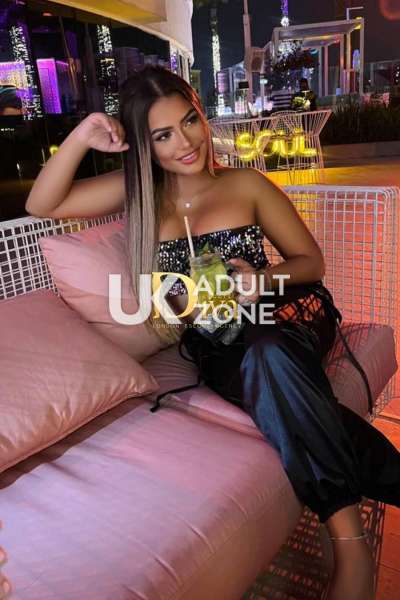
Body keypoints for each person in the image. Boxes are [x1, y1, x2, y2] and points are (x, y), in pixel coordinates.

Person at [25, 65, 400, 600]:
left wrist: (261, 279)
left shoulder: (244, 184)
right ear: (144, 146)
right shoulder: (140, 194)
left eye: (189, 121)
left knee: (267, 350)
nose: (185, 143)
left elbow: (310, 262)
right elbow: (42, 204)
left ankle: (349, 544)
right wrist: (84, 134)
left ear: (202, 116)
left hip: (284, 313)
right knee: (264, 370)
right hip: (217, 338)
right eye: (162, 135)